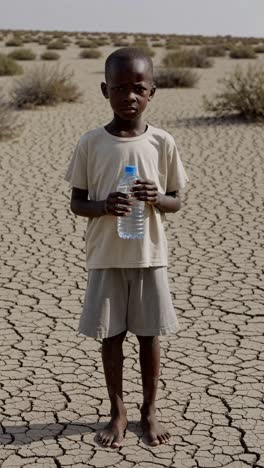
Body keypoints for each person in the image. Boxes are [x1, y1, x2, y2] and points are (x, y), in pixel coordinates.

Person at [65, 47, 189, 448]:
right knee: (111, 337)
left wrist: (157, 198)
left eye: (138, 88)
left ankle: (149, 410)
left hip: (149, 256)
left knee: (149, 335)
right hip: (106, 256)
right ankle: (117, 412)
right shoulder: (91, 143)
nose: (129, 96)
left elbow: (176, 200)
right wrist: (103, 206)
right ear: (105, 90)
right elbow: (77, 201)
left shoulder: (162, 142)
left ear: (153, 90)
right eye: (120, 88)